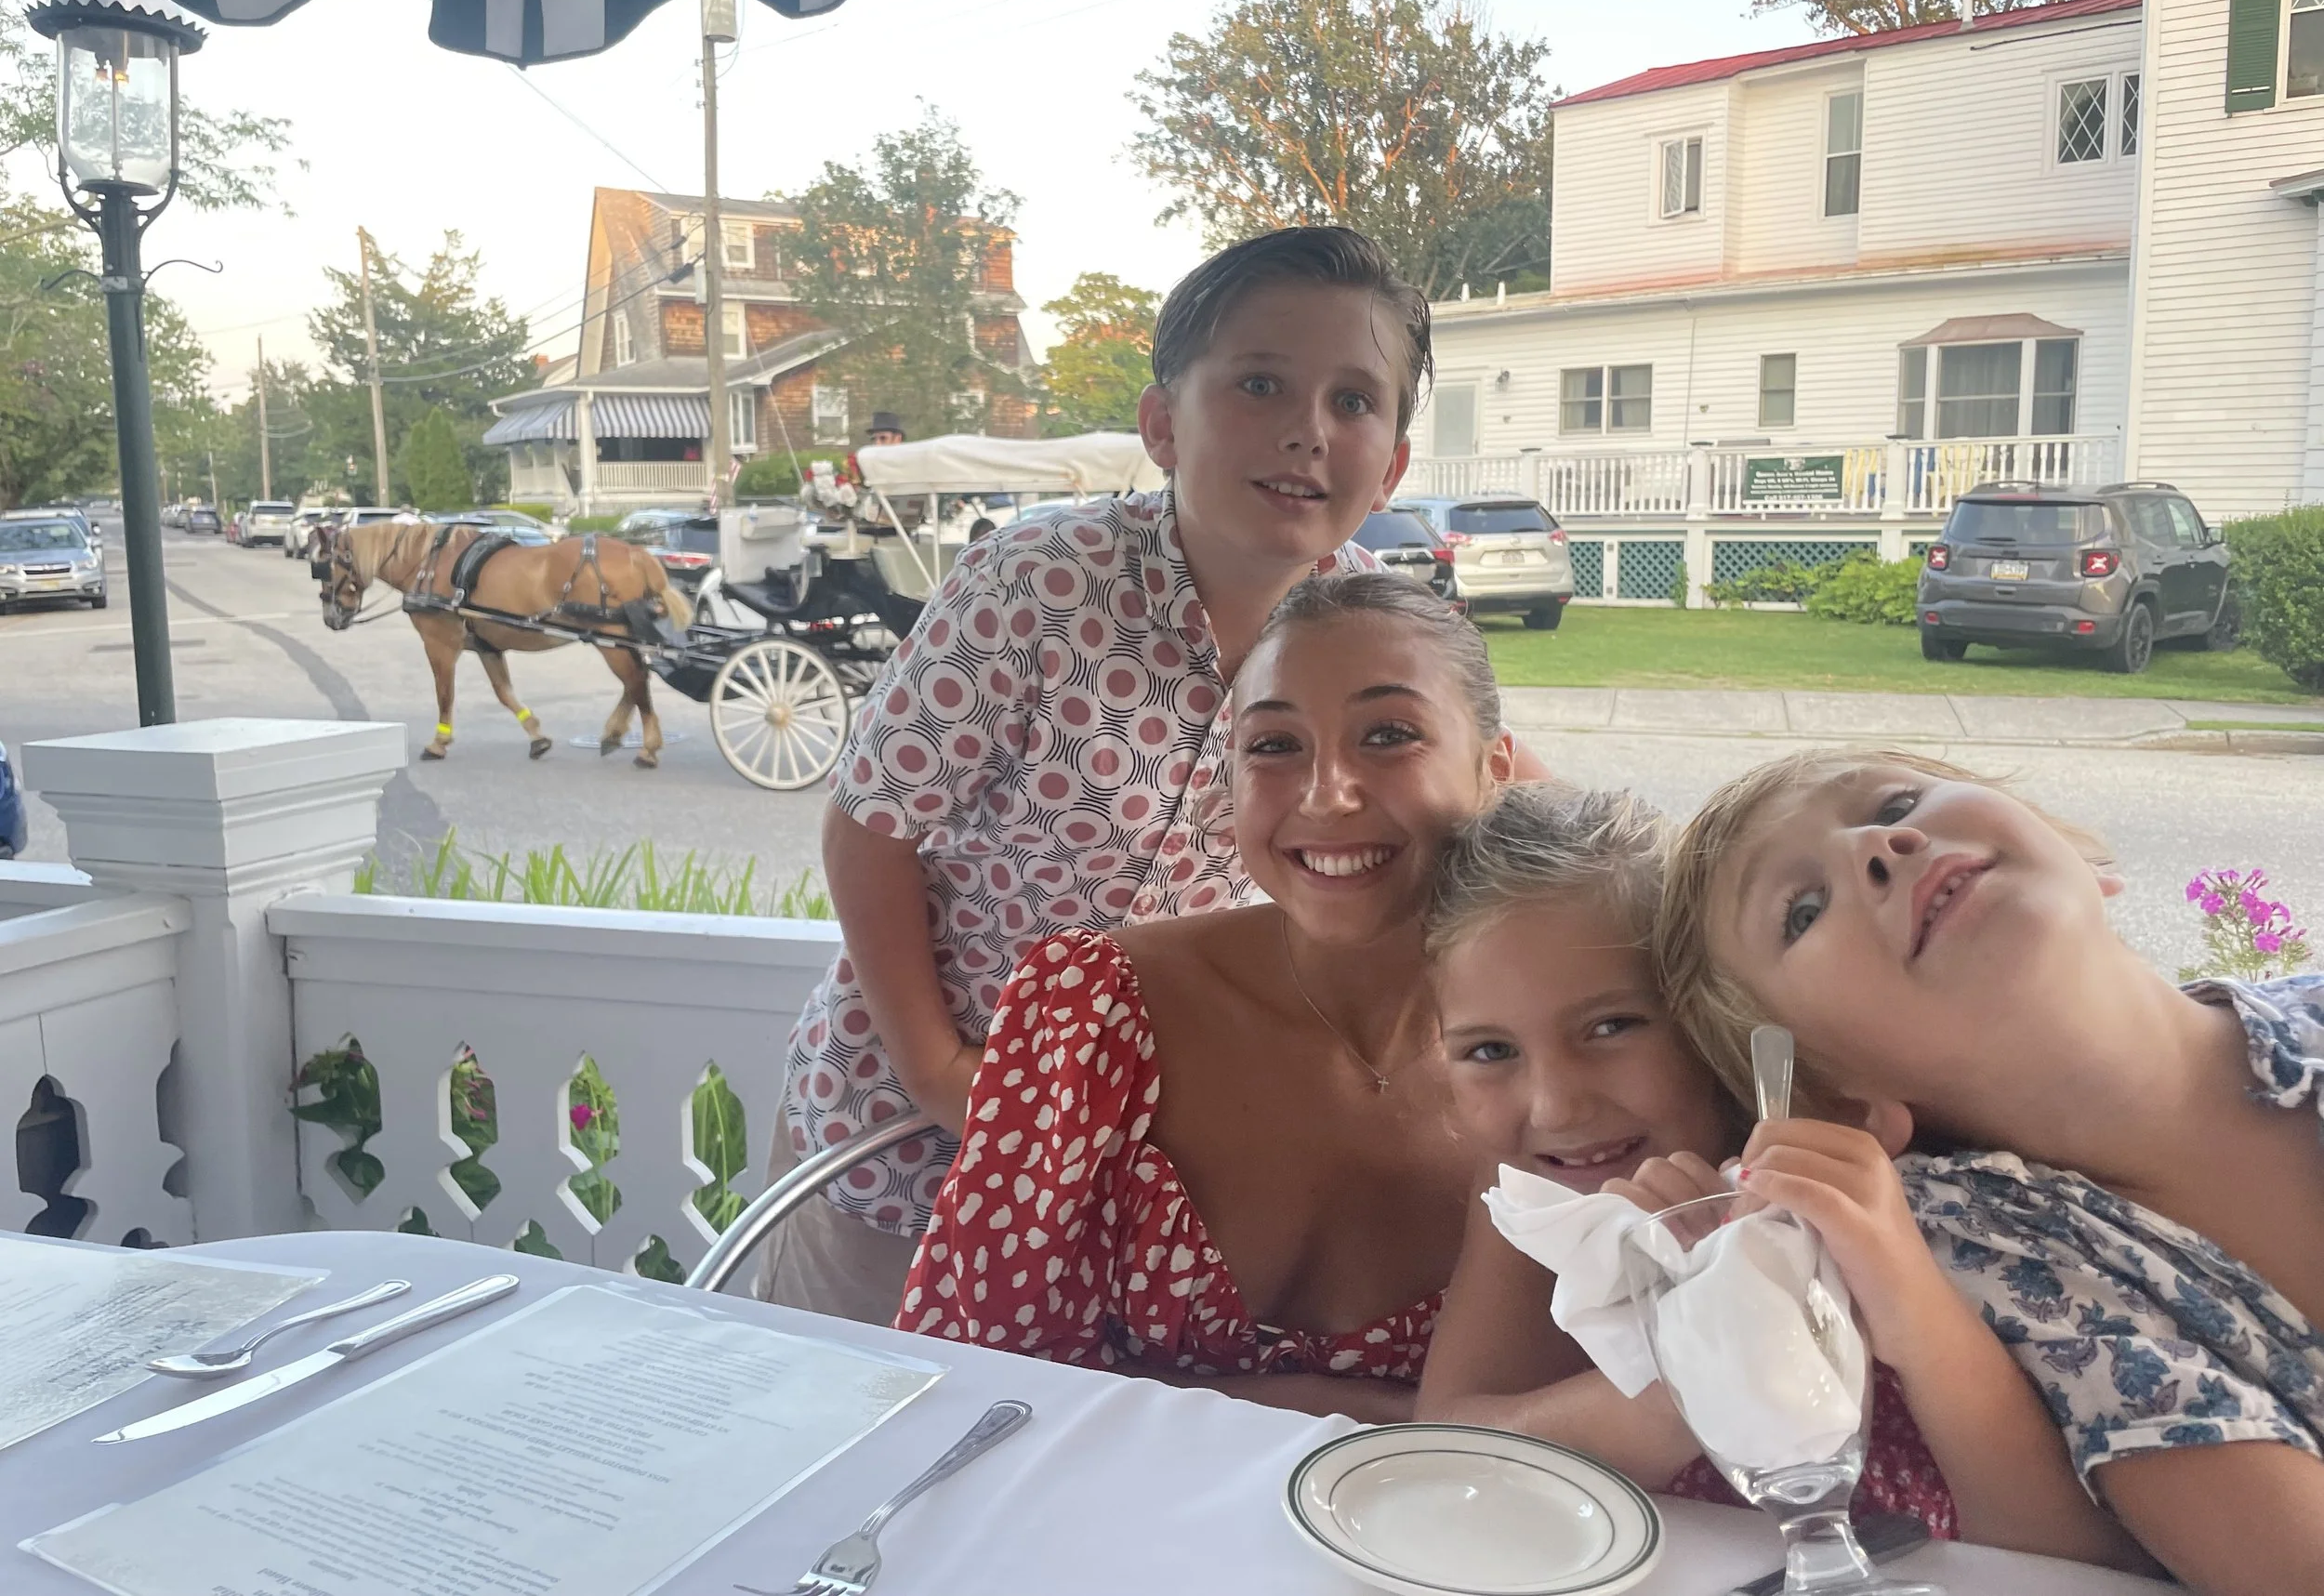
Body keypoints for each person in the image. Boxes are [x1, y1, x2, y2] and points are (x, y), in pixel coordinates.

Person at [765, 228, 1490, 1322]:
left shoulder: (1378, 628)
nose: (1306, 431)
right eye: (1259, 383)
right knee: (851, 1439)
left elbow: (1481, 819)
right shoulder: (1039, 581)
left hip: (1146, 1159)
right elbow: (871, 826)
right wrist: (938, 1072)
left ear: (1389, 464)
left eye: (1353, 402)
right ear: (1162, 425)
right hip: (905, 1142)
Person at [1414, 783, 2140, 1564]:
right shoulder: (1541, 1194)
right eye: (1489, 1051)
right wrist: (1694, 1376)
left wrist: (1888, 1301)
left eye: (1611, 1026)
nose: (1555, 1104)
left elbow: (2068, 1556)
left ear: (1716, 1012)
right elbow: (1443, 1442)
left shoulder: (1872, 1174)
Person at [1657, 747, 2324, 1591]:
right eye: (1802, 910)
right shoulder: (1990, 1248)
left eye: (1899, 801)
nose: (1879, 844)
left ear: (2078, 854)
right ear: (1843, 1102)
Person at [897, 573, 1515, 1416]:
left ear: (1494, 771)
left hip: (1464, 1533)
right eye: (1273, 745)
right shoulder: (1094, 1010)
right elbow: (980, 1388)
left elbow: (1624, 1387)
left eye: (1389, 734)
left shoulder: (1571, 1035)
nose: (1327, 792)